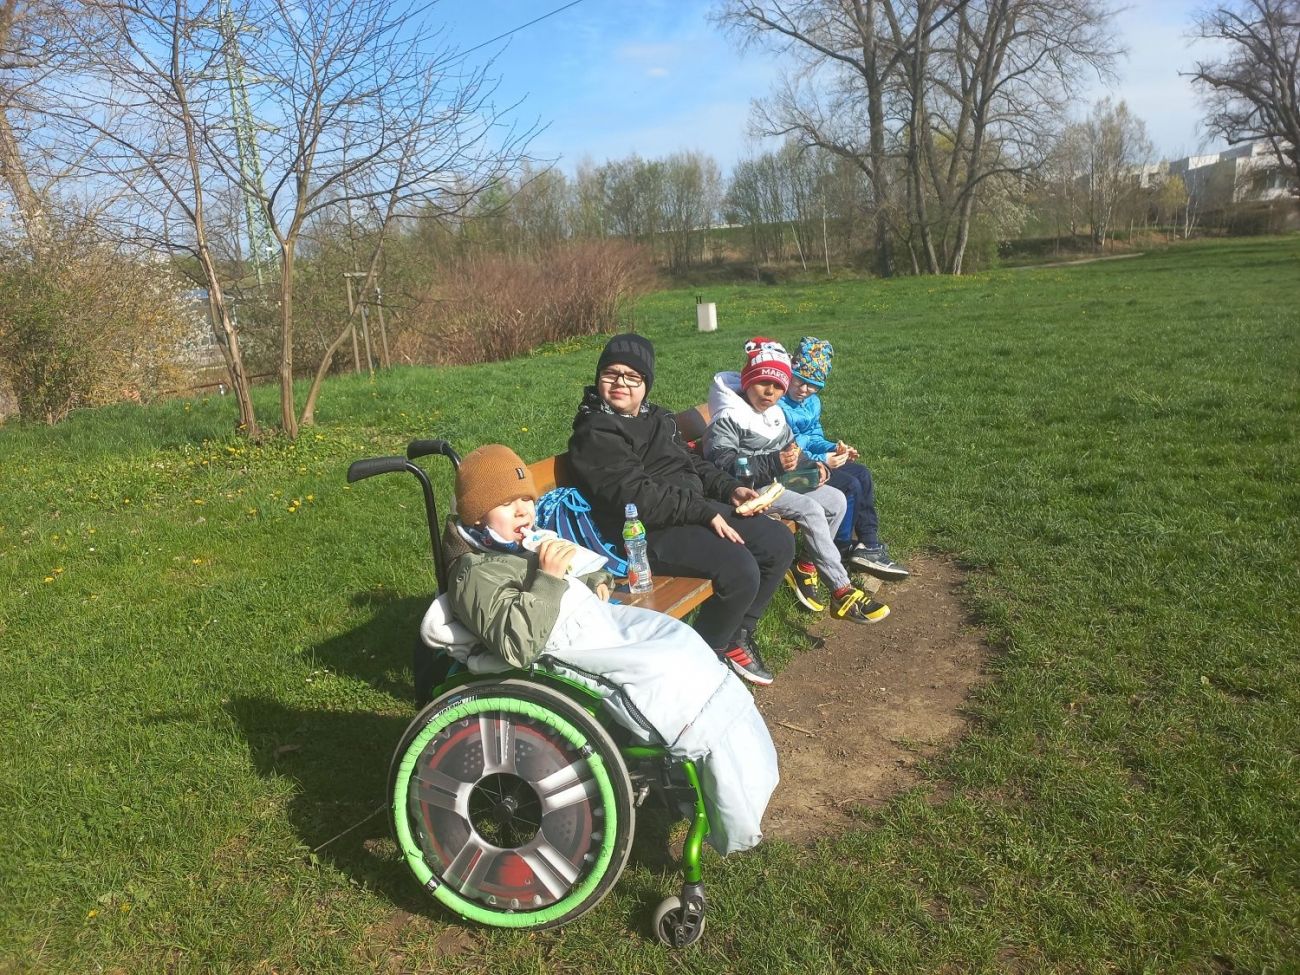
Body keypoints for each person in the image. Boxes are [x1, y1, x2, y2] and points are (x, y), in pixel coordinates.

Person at [443, 443, 778, 855]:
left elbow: (581, 567)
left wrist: (595, 579)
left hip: (597, 620)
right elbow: (518, 643)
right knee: (667, 672)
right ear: (477, 515)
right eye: (507, 504)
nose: (523, 512)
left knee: (685, 643)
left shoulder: (521, 545)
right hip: (563, 644)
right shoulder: (476, 573)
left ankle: (740, 776)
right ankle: (723, 791)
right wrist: (549, 578)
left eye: (526, 501)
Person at [567, 333, 796, 686]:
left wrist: (729, 488)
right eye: (611, 374)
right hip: (643, 532)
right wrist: (703, 511)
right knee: (739, 569)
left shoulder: (656, 417)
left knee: (777, 541)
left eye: (632, 376)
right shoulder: (596, 431)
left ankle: (738, 634)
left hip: (687, 510)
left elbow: (691, 464)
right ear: (599, 378)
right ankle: (703, 661)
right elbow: (635, 496)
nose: (621, 383)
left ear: (646, 383)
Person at [704, 337, 889, 624]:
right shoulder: (729, 417)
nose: (770, 392)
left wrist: (814, 466)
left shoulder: (773, 414)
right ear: (748, 380)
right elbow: (723, 465)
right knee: (811, 509)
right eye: (763, 382)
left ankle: (806, 565)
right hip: (749, 491)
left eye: (778, 386)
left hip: (778, 482)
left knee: (836, 500)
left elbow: (792, 451)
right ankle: (841, 590)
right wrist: (774, 462)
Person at [779, 336, 909, 581]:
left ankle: (869, 544)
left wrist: (835, 448)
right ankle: (841, 547)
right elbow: (790, 450)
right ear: (790, 373)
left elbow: (813, 435)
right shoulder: (779, 405)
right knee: (850, 485)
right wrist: (824, 459)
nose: (804, 389)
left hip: (812, 462)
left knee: (862, 474)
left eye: (813, 385)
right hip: (794, 470)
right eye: (800, 380)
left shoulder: (811, 402)